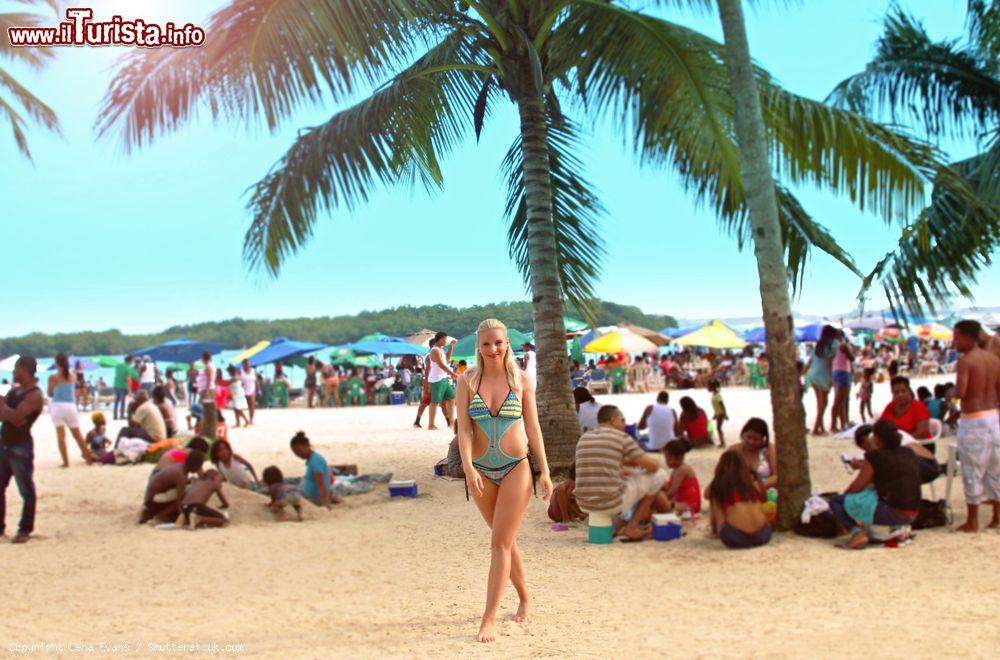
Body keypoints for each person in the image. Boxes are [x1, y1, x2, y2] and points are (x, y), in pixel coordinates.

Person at [456, 319, 552, 643]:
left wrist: (546, 471)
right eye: (486, 344)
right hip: (481, 470)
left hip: (516, 467)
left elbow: (534, 429)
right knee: (504, 540)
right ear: (478, 347)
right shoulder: (466, 381)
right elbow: (464, 430)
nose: (493, 349)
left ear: (507, 343)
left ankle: (489, 618)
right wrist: (468, 468)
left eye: (498, 343)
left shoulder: (521, 380)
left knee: (498, 543)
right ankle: (526, 597)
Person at [575, 404, 668, 541]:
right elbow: (653, 466)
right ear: (613, 420)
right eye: (623, 420)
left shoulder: (584, 438)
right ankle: (632, 525)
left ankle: (618, 526)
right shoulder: (621, 438)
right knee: (659, 475)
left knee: (627, 479)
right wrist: (651, 464)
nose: (625, 424)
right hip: (611, 503)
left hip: (584, 503)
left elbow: (605, 466)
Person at [829, 420, 921, 549]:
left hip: (894, 512)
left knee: (836, 502)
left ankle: (857, 533)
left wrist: (845, 501)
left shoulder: (874, 457)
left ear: (877, 439)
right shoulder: (908, 452)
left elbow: (857, 486)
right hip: (913, 513)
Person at [952, 320, 1000, 532]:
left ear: (966, 337)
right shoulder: (993, 359)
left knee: (972, 470)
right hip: (993, 416)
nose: (954, 342)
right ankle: (997, 516)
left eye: (956, 337)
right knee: (995, 470)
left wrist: (951, 398)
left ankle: (973, 521)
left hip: (974, 419)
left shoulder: (966, 361)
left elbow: (961, 392)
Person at [0, 356, 43, 543]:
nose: (12, 372)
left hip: (21, 446)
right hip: (6, 443)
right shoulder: (16, 391)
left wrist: (4, 409)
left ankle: (25, 529)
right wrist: (8, 413)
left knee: (26, 490)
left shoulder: (34, 395)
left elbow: (17, 418)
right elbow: (11, 416)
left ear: (24, 370)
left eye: (15, 369)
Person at [707, 451, 772, 549]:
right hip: (762, 535)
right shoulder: (753, 485)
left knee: (715, 498)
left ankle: (715, 531)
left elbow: (706, 495)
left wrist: (718, 479)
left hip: (735, 537)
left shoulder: (719, 485)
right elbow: (764, 499)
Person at [47, 353, 95, 467]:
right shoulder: (73, 375)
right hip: (71, 406)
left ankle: (66, 462)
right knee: (77, 435)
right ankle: (88, 458)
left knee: (61, 436)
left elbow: (49, 393)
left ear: (57, 364)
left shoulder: (53, 377)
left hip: (58, 406)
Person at [139, 451, 205, 524]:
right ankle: (162, 514)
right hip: (152, 502)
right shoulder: (181, 476)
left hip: (150, 497)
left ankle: (153, 512)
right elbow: (180, 501)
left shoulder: (179, 466)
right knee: (186, 495)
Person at [727, 418, 778, 490]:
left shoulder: (769, 450)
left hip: (765, 493)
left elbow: (777, 476)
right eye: (748, 437)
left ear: (763, 439)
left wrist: (756, 486)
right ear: (743, 435)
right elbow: (723, 475)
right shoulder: (733, 450)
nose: (751, 442)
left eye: (756, 439)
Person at [290, 431, 338, 507]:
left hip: (316, 499)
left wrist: (326, 504)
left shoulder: (315, 461)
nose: (298, 455)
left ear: (306, 446)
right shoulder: (312, 459)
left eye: (299, 451)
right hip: (312, 496)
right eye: (296, 453)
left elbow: (321, 484)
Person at [880, 377, 931, 442]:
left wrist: (899, 440)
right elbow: (881, 428)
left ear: (909, 391)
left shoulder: (918, 406)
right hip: (896, 446)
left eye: (903, 391)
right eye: (896, 392)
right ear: (892, 393)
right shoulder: (890, 407)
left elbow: (921, 434)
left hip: (920, 445)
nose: (900, 395)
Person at [808, 325, 839, 435]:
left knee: (819, 403)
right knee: (824, 403)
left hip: (814, 373)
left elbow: (811, 360)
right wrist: (831, 378)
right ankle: (816, 428)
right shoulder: (834, 344)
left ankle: (820, 427)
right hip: (823, 374)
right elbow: (830, 361)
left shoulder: (819, 343)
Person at [427, 332, 459, 431]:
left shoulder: (440, 350)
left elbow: (447, 359)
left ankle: (452, 423)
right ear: (440, 339)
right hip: (436, 379)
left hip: (443, 378)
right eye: (445, 339)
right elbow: (441, 365)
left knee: (451, 398)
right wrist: (454, 374)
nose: (446, 341)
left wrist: (452, 346)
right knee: (435, 402)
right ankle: (431, 424)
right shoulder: (435, 350)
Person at [662, 440, 701, 515]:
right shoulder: (675, 471)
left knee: (665, 505)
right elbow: (668, 486)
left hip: (689, 505)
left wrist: (661, 500)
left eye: (668, 459)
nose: (666, 462)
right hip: (681, 502)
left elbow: (671, 492)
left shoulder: (682, 470)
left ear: (678, 457)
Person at [830, 335, 854, 432]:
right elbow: (852, 358)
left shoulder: (833, 346)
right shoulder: (843, 346)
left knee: (839, 400)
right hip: (843, 372)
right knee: (841, 400)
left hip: (836, 371)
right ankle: (836, 425)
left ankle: (842, 423)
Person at [196, 352, 218, 441]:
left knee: (203, 409)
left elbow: (209, 379)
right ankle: (202, 426)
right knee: (204, 409)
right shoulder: (209, 366)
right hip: (205, 389)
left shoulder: (208, 366)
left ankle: (203, 427)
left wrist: (207, 391)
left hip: (206, 390)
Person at [708, 379, 727, 447]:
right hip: (718, 413)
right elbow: (717, 406)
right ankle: (722, 442)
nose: (708, 388)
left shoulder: (717, 395)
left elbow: (722, 405)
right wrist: (715, 414)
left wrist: (725, 414)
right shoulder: (714, 395)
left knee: (718, 428)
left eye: (709, 386)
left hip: (720, 414)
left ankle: (722, 442)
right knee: (718, 428)